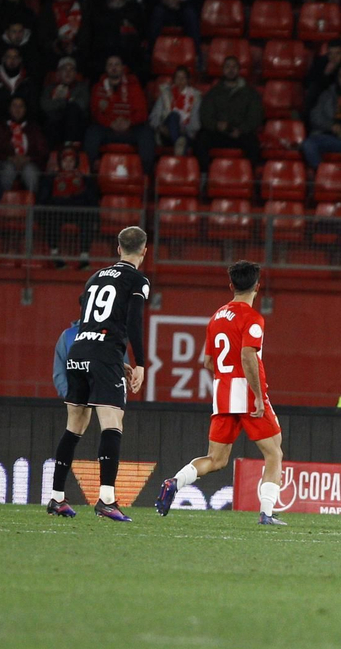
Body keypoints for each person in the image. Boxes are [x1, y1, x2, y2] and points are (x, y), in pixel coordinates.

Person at [155, 261, 287, 526]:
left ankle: (174, 481)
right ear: (257, 287)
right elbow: (248, 356)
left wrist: (228, 378)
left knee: (216, 459)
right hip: (249, 394)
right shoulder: (253, 319)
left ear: (231, 286)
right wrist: (258, 395)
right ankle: (267, 513)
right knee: (274, 453)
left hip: (223, 393)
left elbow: (207, 362)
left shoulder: (216, 316)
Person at [46, 225, 150, 521]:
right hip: (103, 355)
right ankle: (106, 499)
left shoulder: (95, 277)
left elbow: (89, 320)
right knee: (112, 422)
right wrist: (139, 362)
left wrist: (114, 359)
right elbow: (133, 322)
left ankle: (56, 498)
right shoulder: (137, 279)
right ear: (144, 250)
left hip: (79, 350)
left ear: (118, 248)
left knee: (75, 425)